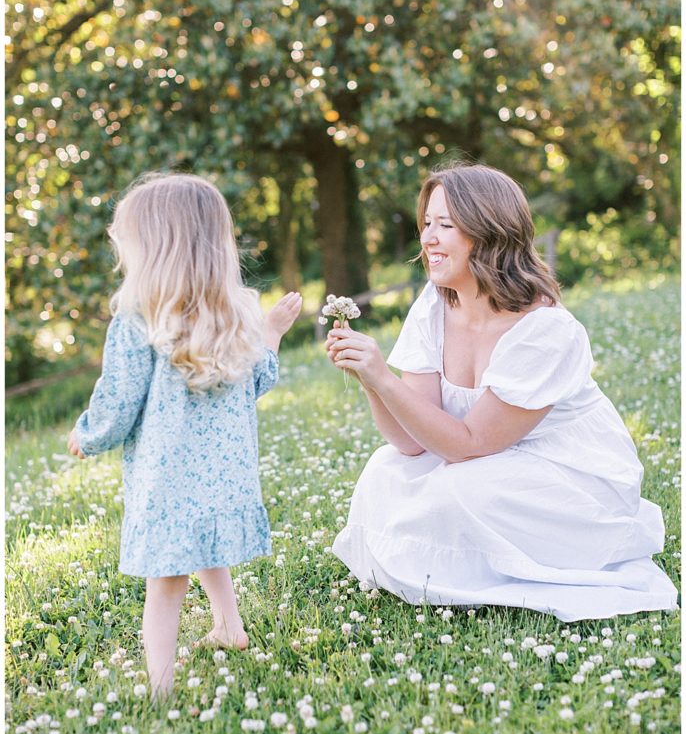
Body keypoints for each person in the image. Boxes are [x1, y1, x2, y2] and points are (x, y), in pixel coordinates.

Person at [326, 163, 677, 622]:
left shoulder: (545, 331)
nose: (428, 238)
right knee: (385, 470)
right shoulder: (433, 306)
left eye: (445, 225)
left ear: (489, 232)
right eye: (427, 223)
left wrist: (385, 378)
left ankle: (479, 568)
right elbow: (412, 442)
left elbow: (471, 446)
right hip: (480, 461)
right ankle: (455, 570)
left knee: (462, 486)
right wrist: (373, 381)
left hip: (560, 473)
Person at [67, 173, 302, 696]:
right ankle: (229, 627)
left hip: (169, 483)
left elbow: (119, 400)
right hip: (226, 478)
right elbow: (257, 381)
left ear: (151, 249)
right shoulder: (237, 313)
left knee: (165, 583)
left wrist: (89, 434)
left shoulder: (138, 321)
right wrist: (273, 334)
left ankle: (161, 691)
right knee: (208, 545)